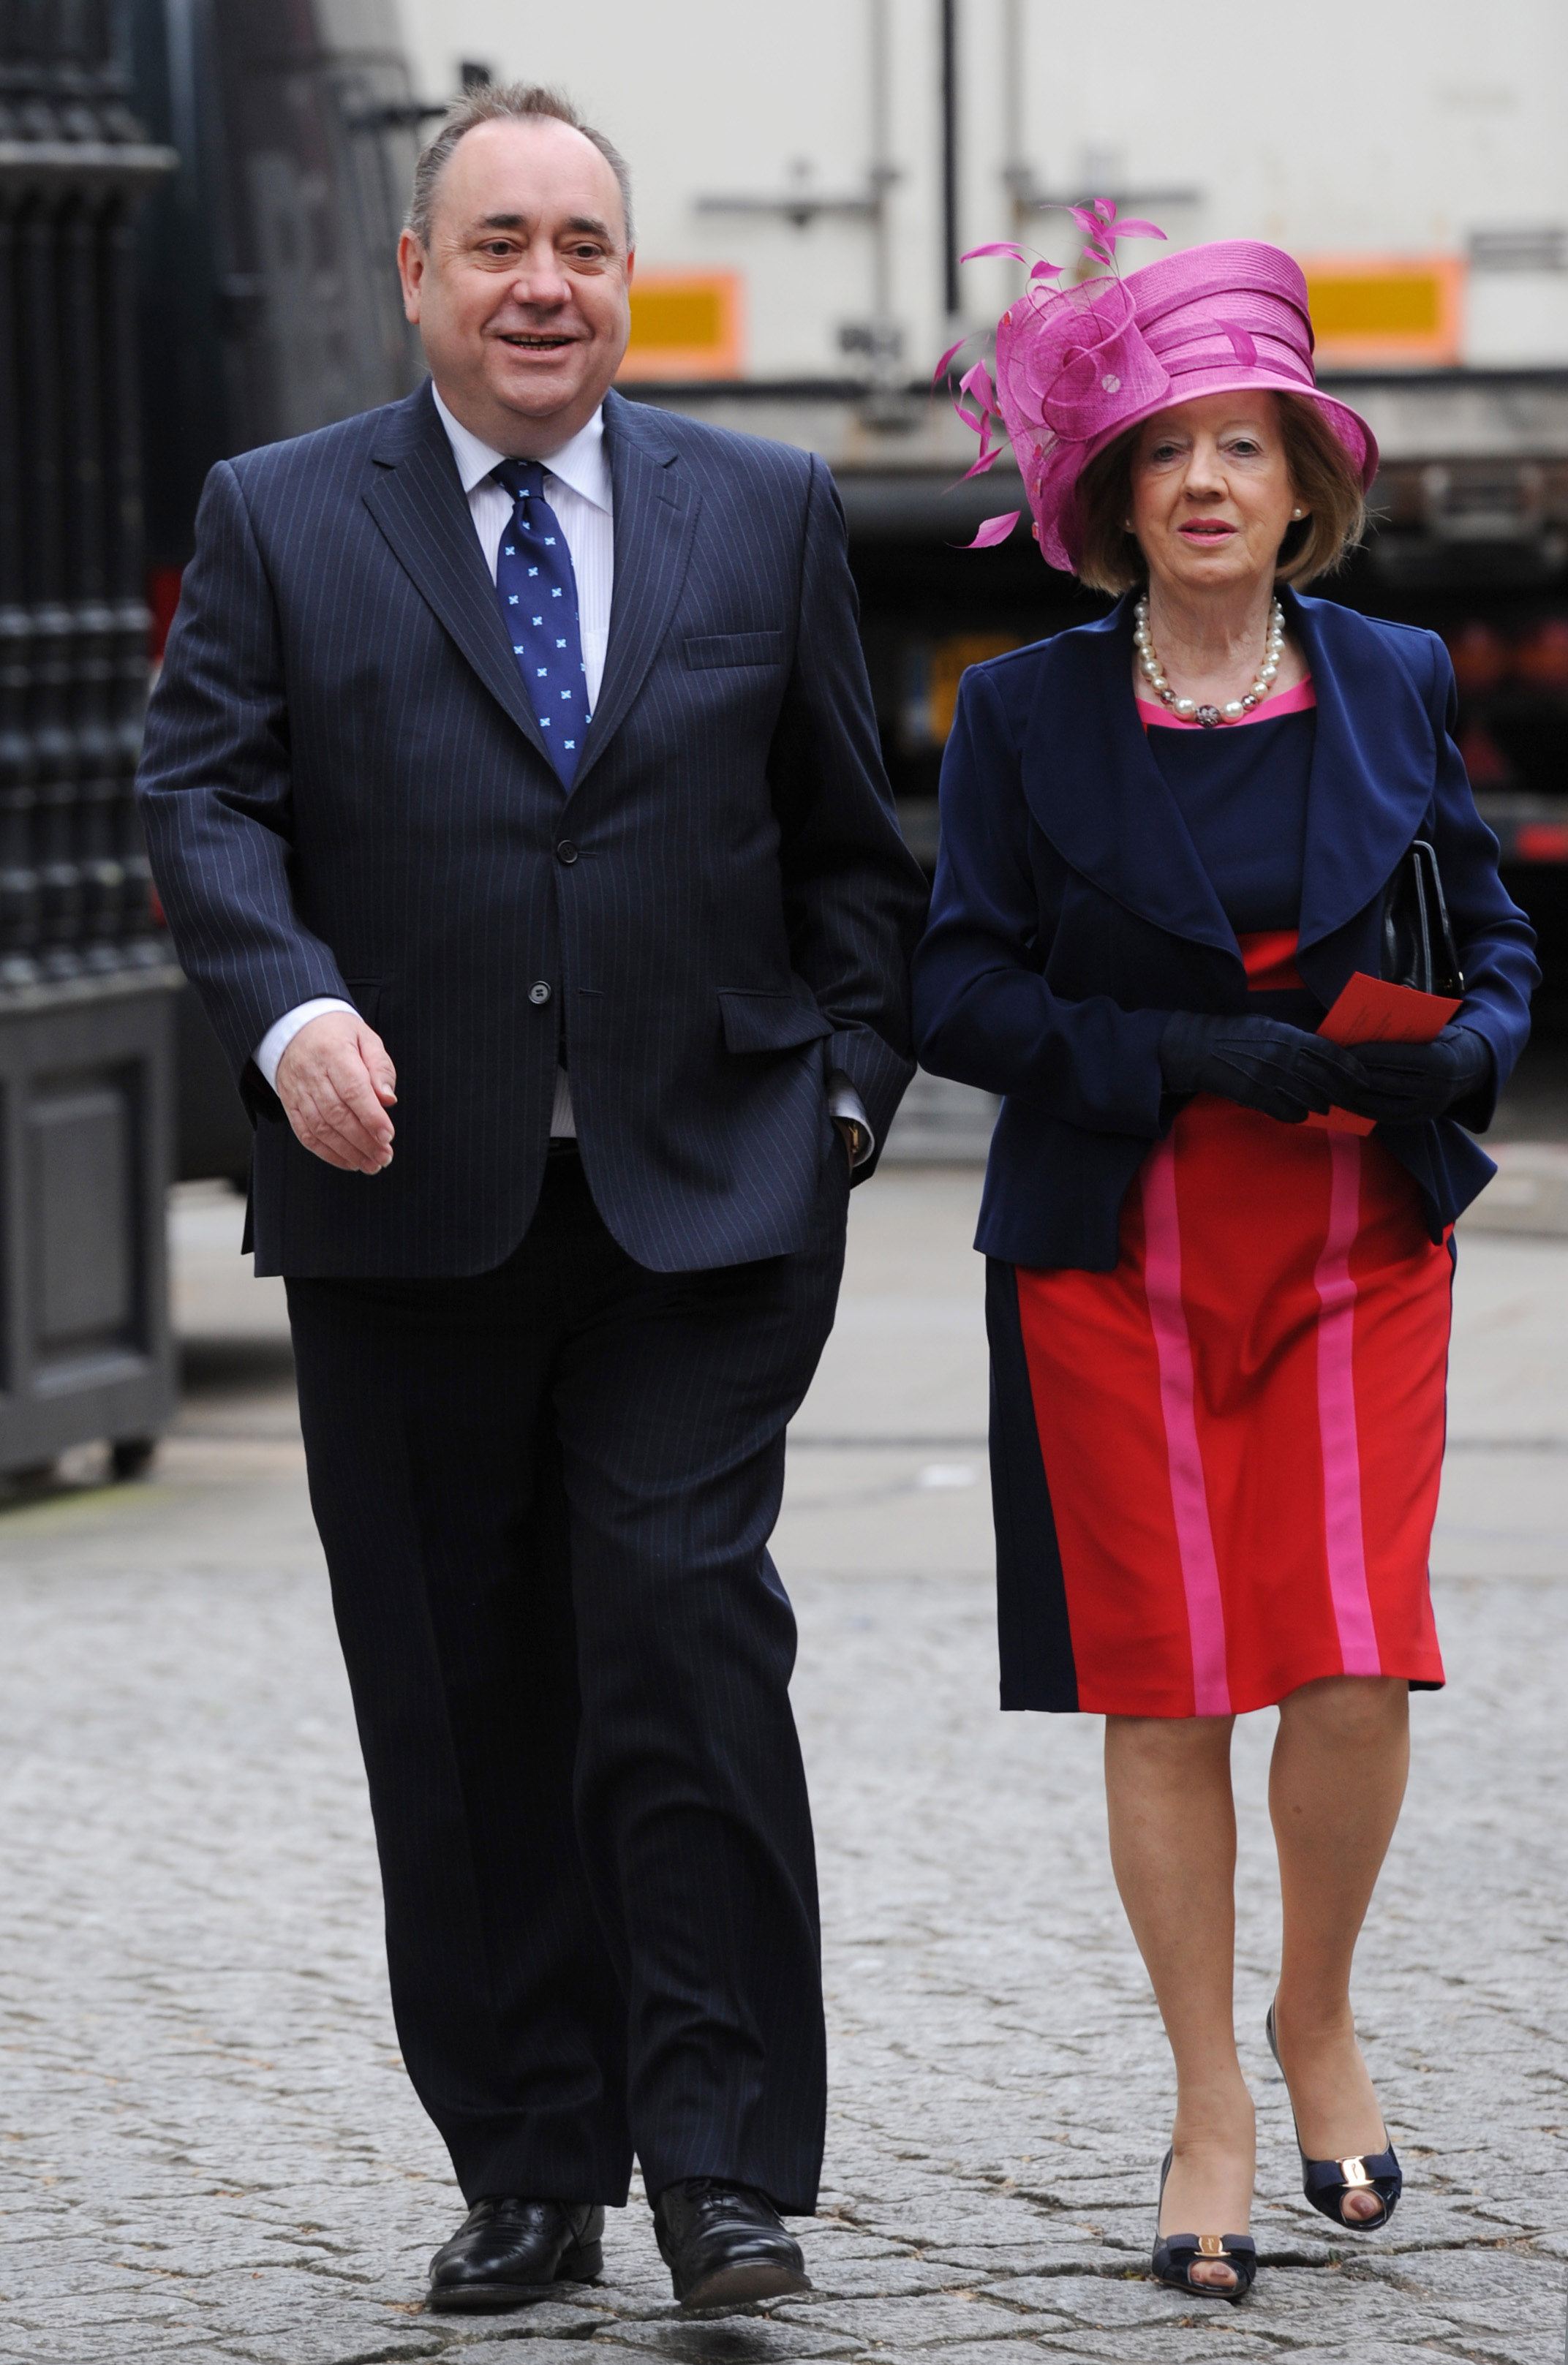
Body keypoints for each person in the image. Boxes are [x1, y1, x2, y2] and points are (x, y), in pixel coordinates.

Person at [138, 83, 927, 2314]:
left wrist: (842, 1102)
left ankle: (724, 2166)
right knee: (461, 1686)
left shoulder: (763, 510)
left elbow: (851, 846)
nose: (543, 285)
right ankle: (532, 2157)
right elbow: (203, 799)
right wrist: (290, 1012)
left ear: (629, 277)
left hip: (708, 1212)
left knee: (681, 1645)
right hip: (401, 1208)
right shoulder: (281, 515)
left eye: (582, 244)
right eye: (499, 243)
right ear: (418, 274)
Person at [913, 234, 1536, 2303]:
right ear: (1112, 490)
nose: (1204, 481)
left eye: (1244, 446)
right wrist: (1178, 1053)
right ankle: (1208, 2099)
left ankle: (1317, 2011)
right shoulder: (1021, 714)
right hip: (1121, 1249)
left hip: (1354, 1232)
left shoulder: (1393, 676)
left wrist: (1473, 1049)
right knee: (1168, 1677)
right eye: (1166, 449)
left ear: (1303, 485)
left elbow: (1492, 932)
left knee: (1354, 1652)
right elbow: (957, 993)